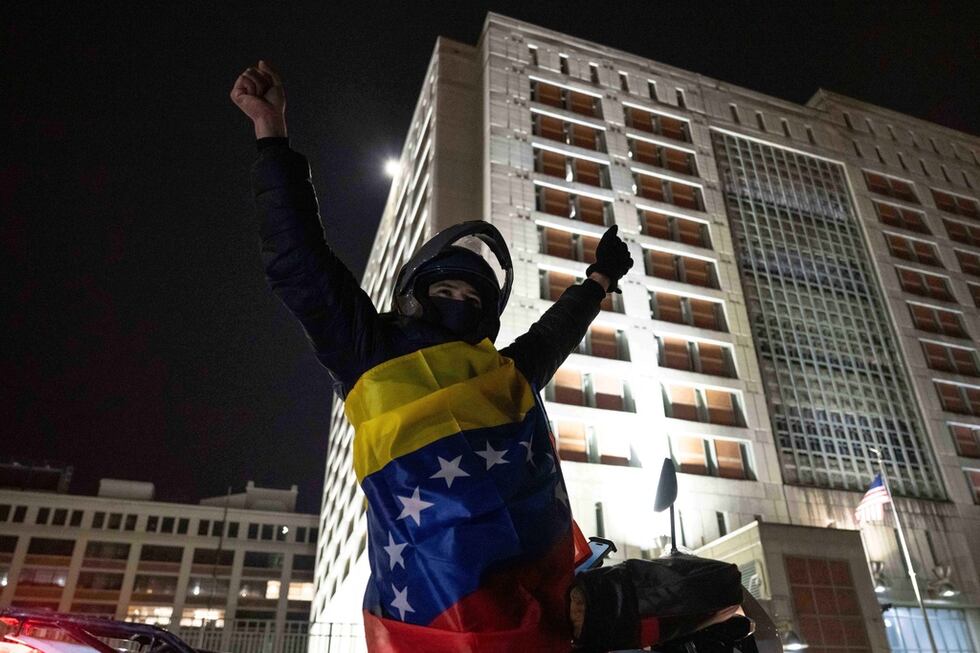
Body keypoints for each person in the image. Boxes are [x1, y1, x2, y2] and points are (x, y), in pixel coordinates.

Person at [231, 61, 635, 652]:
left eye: (473, 298)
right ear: (417, 297)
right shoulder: (369, 350)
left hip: (528, 604)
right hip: (427, 612)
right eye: (445, 291)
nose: (458, 302)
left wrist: (598, 280)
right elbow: (298, 260)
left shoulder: (505, 377)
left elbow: (554, 335)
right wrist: (272, 133)